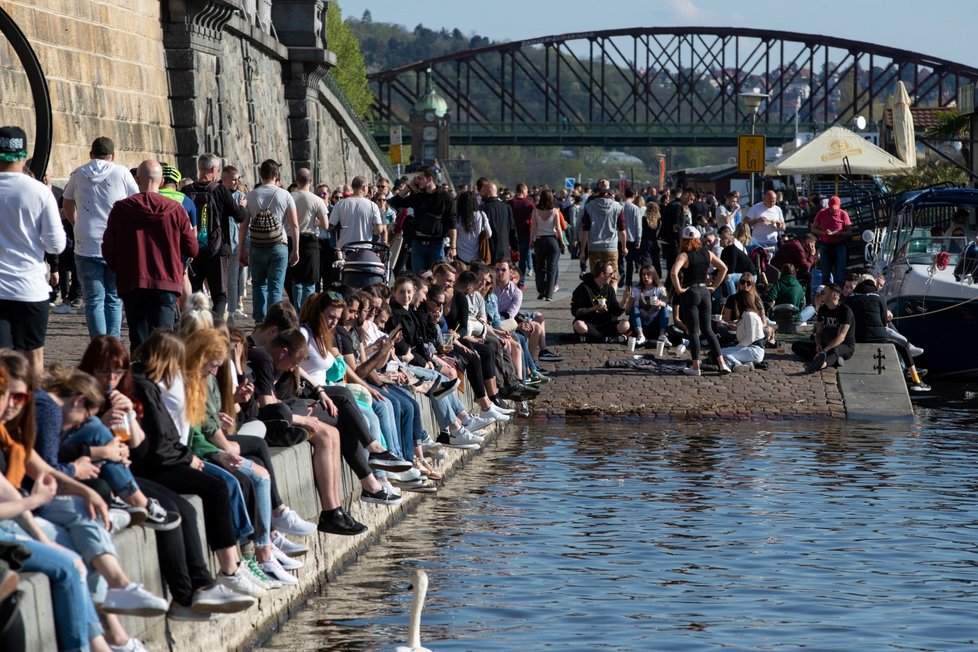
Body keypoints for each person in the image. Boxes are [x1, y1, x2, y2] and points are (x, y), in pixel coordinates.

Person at [102, 160, 198, 351]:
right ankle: (162, 378)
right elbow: (192, 248)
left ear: (137, 180)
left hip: (133, 281)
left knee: (138, 341)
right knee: (165, 342)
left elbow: (108, 248)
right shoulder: (176, 209)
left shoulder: (121, 209)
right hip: (166, 281)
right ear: (162, 181)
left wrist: (121, 268)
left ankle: (139, 377)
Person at [0, 126, 66, 373]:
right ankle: (32, 409)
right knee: (33, 361)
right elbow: (56, 244)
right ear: (24, 155)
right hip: (30, 288)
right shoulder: (39, 191)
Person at [62, 136, 138, 340]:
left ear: (91, 154)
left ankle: (98, 344)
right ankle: (113, 343)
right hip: (116, 241)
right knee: (113, 298)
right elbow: (135, 201)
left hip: (85, 240)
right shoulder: (121, 172)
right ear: (112, 156)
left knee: (94, 299)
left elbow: (67, 203)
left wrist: (76, 223)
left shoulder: (78, 173)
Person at [185, 153, 246, 322]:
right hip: (217, 250)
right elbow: (239, 215)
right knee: (219, 296)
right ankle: (215, 331)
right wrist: (242, 206)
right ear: (213, 169)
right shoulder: (220, 190)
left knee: (196, 293)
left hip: (193, 249)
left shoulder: (186, 190)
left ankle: (196, 327)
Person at [240, 159, 299, 323]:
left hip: (257, 246)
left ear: (261, 174)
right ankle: (274, 322)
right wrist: (296, 250)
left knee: (259, 284)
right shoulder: (285, 195)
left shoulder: (251, 195)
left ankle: (259, 321)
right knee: (276, 286)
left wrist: (241, 250)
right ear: (276, 175)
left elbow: (243, 226)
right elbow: (294, 224)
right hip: (279, 245)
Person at [845, 276, 930, 391]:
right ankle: (916, 380)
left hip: (856, 336)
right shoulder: (879, 296)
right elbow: (884, 320)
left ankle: (906, 371)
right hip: (878, 336)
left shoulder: (849, 298)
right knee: (904, 346)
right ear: (873, 284)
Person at [669, 226, 731, 376]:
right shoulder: (707, 253)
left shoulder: (684, 255)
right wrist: (715, 286)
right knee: (708, 329)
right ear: (698, 239)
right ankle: (721, 363)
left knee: (694, 331)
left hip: (690, 291)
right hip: (704, 291)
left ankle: (696, 366)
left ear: (684, 240)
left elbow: (673, 273)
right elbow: (723, 268)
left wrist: (678, 290)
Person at [389, 167, 457, 272]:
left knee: (436, 278)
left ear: (429, 179)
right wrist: (408, 187)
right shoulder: (418, 196)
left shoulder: (446, 197)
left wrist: (453, 246)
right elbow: (395, 202)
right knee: (419, 280)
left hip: (436, 244)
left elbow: (452, 222)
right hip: (418, 244)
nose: (417, 181)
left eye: (420, 178)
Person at [792, 283, 854, 372]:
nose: (820, 295)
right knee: (796, 346)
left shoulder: (845, 311)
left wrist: (825, 350)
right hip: (825, 345)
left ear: (833, 295)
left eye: (823, 292)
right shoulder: (822, 309)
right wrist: (818, 344)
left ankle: (821, 364)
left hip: (844, 345)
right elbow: (819, 331)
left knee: (835, 350)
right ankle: (832, 360)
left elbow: (841, 336)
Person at [290, 168, 328, 308]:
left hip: (292, 239)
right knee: (310, 282)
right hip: (310, 241)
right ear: (310, 181)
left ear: (296, 180)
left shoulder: (289, 196)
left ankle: (298, 311)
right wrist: (314, 222)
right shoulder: (317, 200)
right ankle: (308, 312)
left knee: (296, 280)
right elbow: (325, 224)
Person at [578, 179, 626, 285]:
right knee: (612, 277)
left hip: (594, 247)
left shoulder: (589, 207)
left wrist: (582, 250)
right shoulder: (617, 207)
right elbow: (622, 229)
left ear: (596, 190)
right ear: (609, 191)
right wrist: (624, 246)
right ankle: (611, 299)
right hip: (611, 247)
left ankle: (599, 300)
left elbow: (585, 230)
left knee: (596, 277)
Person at [571, 259, 630, 342]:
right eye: (610, 274)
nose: (613, 276)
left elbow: (615, 312)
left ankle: (590, 338)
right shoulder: (583, 288)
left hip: (605, 324)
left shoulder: (609, 289)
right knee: (578, 325)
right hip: (589, 324)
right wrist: (593, 308)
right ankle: (606, 338)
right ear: (602, 274)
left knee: (625, 324)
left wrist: (624, 300)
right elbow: (575, 311)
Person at [328, 175, 385, 250]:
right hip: (365, 248)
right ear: (364, 187)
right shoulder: (372, 205)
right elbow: (379, 230)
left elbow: (330, 226)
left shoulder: (340, 204)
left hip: (344, 248)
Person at [622, 265, 669, 346]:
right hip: (640, 324)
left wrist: (660, 303)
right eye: (643, 274)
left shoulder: (660, 289)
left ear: (653, 275)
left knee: (664, 309)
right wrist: (639, 310)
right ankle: (641, 336)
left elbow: (665, 301)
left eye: (648, 274)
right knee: (634, 309)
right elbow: (627, 311)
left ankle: (662, 335)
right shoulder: (636, 290)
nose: (645, 277)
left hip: (655, 325)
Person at [719, 291, 766, 371]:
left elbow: (750, 338)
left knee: (722, 352)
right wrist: (736, 328)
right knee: (725, 350)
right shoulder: (748, 314)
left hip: (754, 350)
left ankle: (736, 364)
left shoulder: (749, 315)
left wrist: (736, 348)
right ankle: (746, 364)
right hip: (752, 349)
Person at [530, 189, 563, 300]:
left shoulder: (535, 211)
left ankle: (541, 290)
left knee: (540, 267)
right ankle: (549, 294)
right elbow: (558, 228)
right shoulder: (555, 211)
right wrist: (562, 242)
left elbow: (533, 228)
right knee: (552, 268)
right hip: (552, 240)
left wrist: (531, 241)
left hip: (539, 240)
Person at [810, 195, 851, 285]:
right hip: (825, 244)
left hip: (839, 244)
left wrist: (838, 233)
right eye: (832, 208)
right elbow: (813, 228)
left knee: (840, 272)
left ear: (839, 206)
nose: (834, 210)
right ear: (828, 206)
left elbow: (849, 231)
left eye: (836, 208)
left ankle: (838, 292)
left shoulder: (843, 214)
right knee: (825, 272)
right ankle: (826, 292)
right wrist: (823, 232)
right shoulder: (822, 213)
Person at [454, 190, 491, 264]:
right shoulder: (482, 215)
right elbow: (489, 234)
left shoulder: (458, 217)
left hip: (461, 255)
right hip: (477, 256)